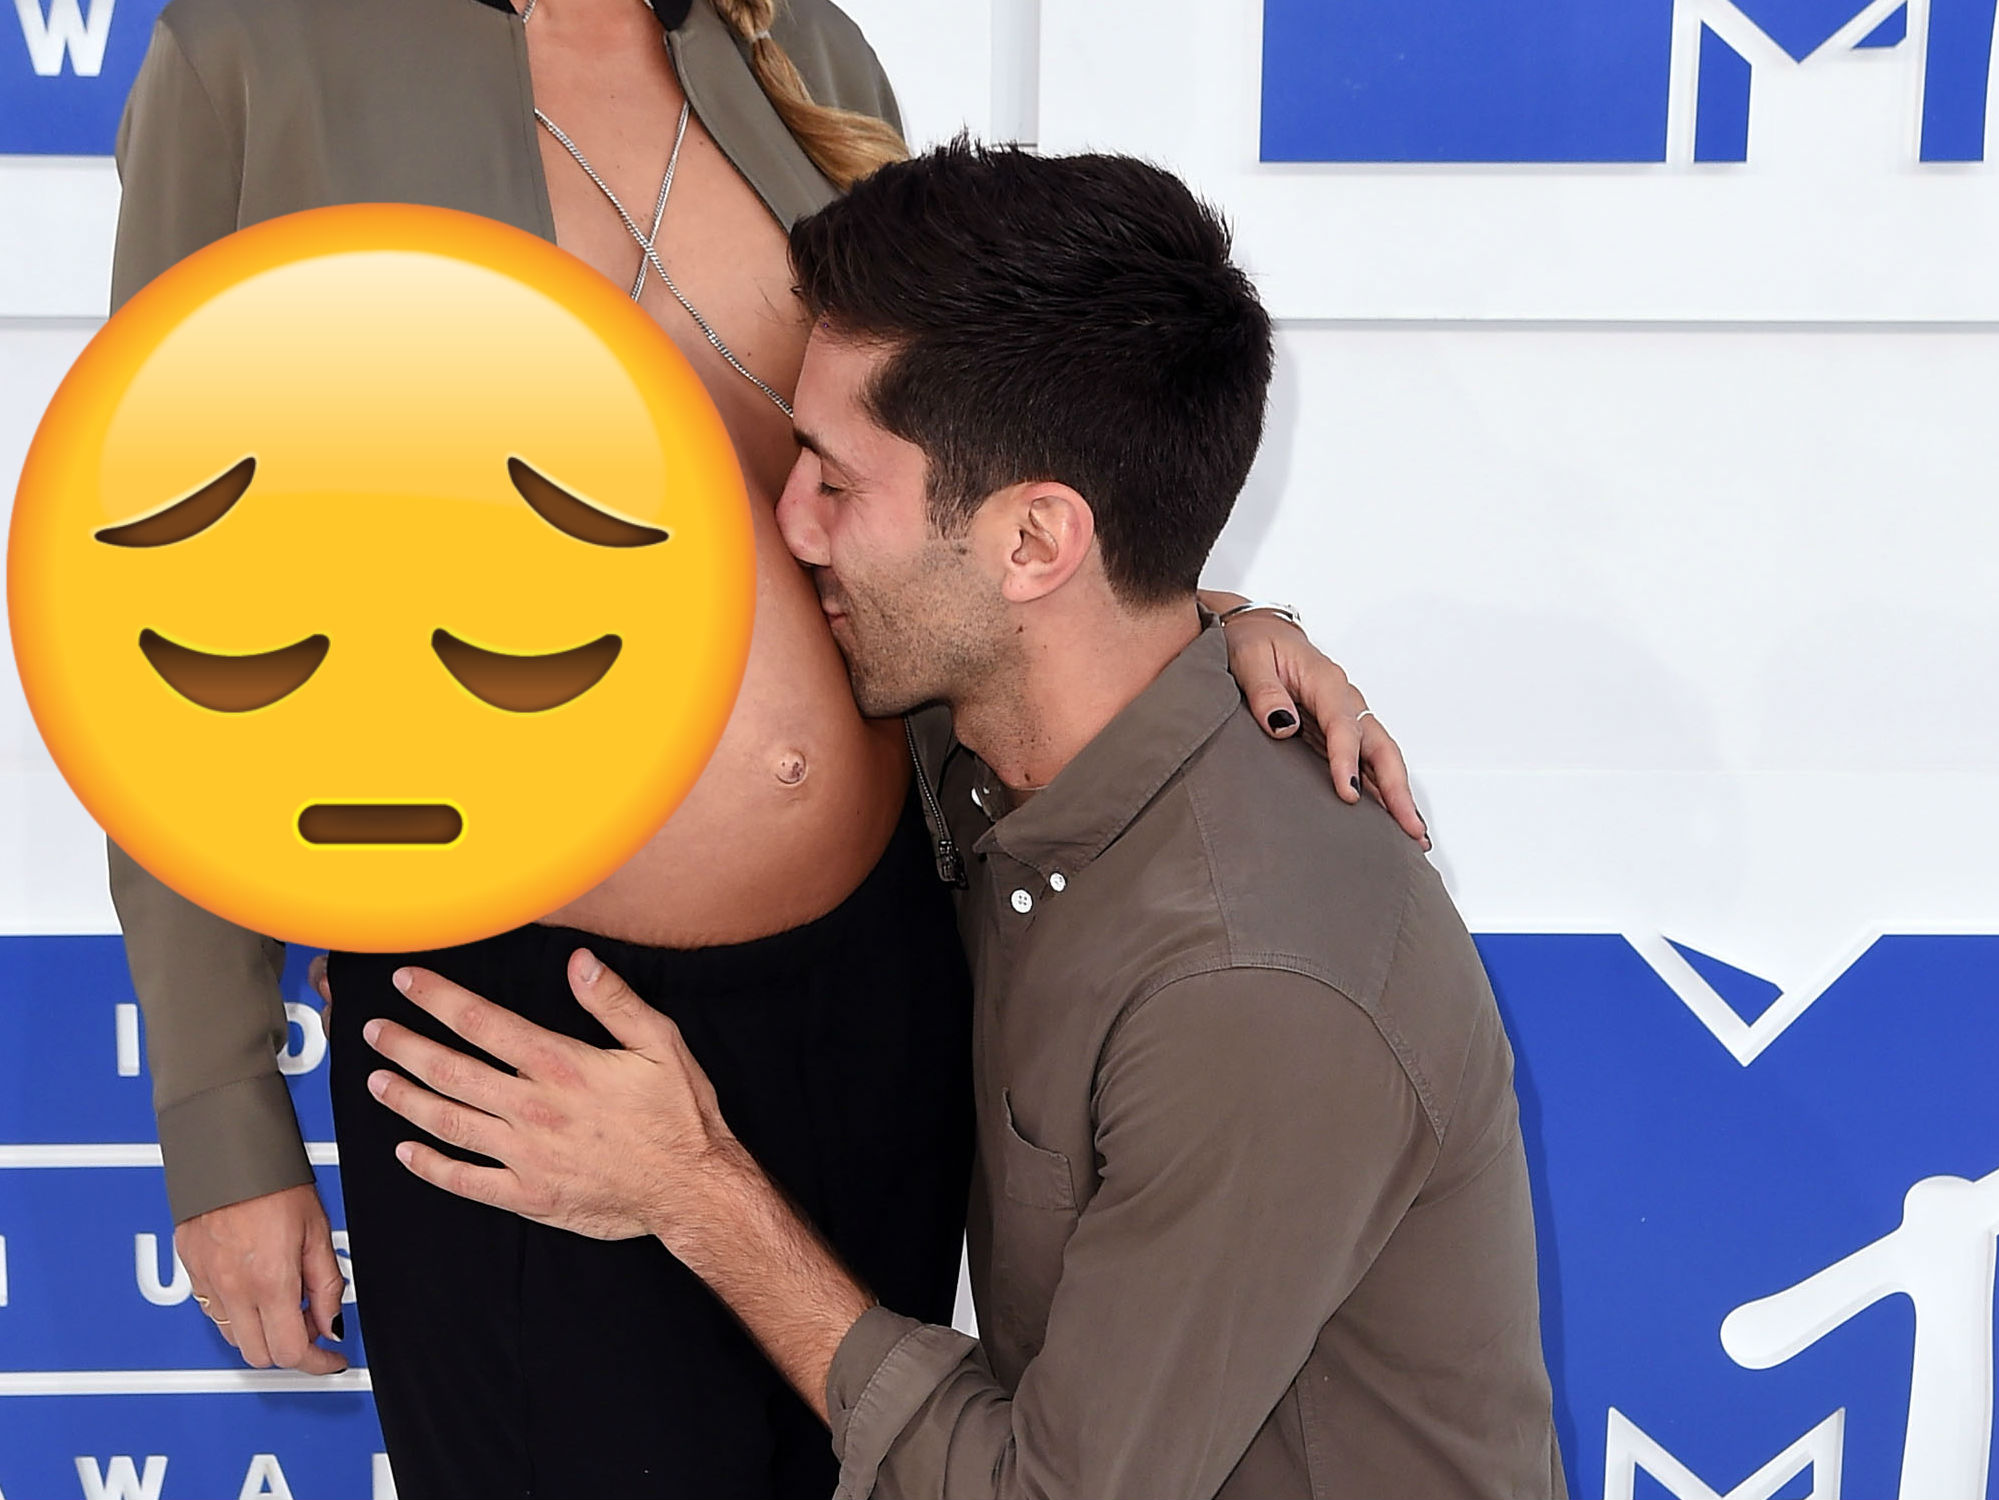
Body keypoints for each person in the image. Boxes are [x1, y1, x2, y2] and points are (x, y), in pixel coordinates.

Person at [106, 1, 1427, 1494]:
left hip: (884, 980)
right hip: (533, 1016)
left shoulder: (802, 44)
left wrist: (1204, 623)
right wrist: (221, 1123)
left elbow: (970, 481)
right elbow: (153, 602)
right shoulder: (260, 55)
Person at [358, 142, 1566, 1499]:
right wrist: (1240, 619)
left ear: (1034, 543)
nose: (789, 527)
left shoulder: (1252, 984)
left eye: (835, 481)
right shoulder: (1012, 751)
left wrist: (693, 1192)